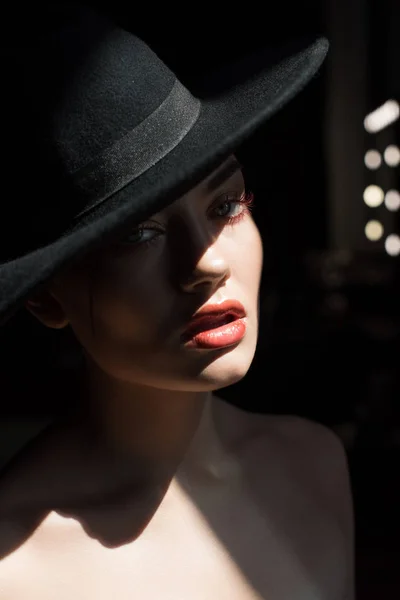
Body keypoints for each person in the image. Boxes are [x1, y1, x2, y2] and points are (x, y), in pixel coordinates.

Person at [0, 4, 354, 599]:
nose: (208, 262)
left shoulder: (313, 463)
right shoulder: (15, 564)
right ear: (44, 298)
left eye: (226, 206)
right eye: (139, 233)